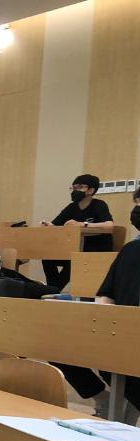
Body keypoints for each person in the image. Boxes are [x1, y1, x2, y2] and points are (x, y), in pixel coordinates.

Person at [54, 239, 140, 422]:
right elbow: (106, 295)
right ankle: (104, 400)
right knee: (54, 343)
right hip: (121, 335)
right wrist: (104, 329)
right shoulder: (131, 250)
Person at [40, 174, 115, 290]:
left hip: (95, 249)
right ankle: (52, 288)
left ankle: (52, 289)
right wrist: (48, 225)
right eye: (74, 187)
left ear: (91, 190)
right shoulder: (71, 207)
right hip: (75, 248)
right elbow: (55, 225)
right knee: (48, 257)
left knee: (74, 260)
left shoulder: (99, 205)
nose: (75, 190)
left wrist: (83, 224)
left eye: (80, 187)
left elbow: (109, 226)